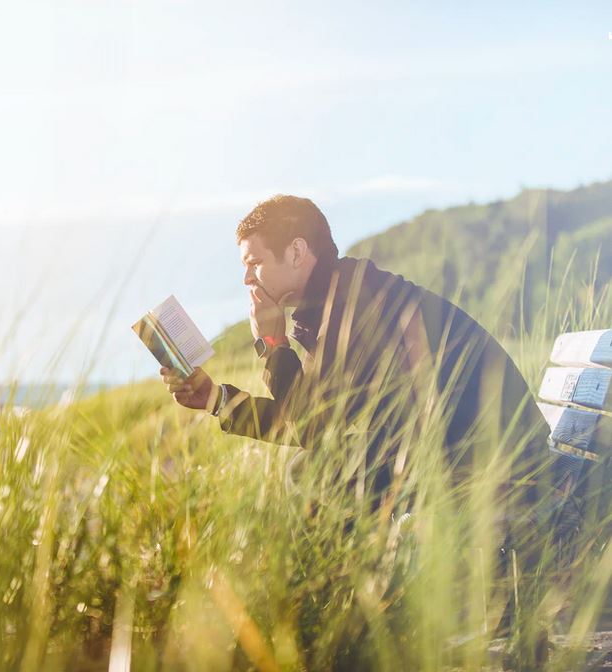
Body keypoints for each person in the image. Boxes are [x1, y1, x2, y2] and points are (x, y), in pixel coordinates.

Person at [159, 195, 578, 652]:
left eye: (254, 261)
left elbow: (310, 424)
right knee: (314, 470)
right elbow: (312, 422)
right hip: (459, 453)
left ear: (297, 252)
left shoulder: (355, 305)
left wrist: (273, 344)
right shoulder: (340, 299)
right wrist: (214, 398)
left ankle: (359, 635)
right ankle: (358, 629)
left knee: (314, 473)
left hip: (494, 465)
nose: (246, 277)